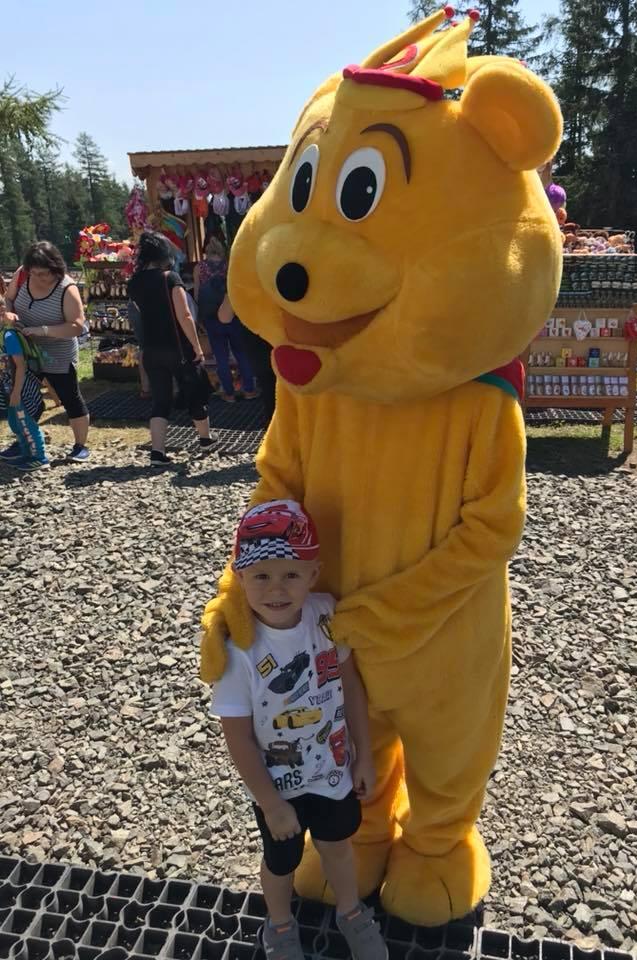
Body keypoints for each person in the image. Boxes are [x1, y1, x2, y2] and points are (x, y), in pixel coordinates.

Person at [210, 500, 387, 960]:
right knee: (280, 863)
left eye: (291, 574)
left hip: (333, 771)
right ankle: (280, 924)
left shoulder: (326, 615)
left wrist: (364, 754)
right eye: (261, 576)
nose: (276, 588)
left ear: (314, 573)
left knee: (338, 848)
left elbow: (349, 683)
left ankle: (350, 911)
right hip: (278, 788)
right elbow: (237, 737)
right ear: (240, 576)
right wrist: (270, 804)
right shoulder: (239, 652)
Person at [128, 232, 215, 466]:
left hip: (151, 349)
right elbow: (184, 315)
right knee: (195, 392)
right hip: (178, 349)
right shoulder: (170, 278)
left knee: (160, 399)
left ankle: (157, 452)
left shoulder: (134, 283)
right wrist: (197, 346)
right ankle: (205, 439)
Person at [1, 242, 90, 463]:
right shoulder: (23, 275)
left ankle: (80, 445)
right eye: (35, 273)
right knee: (23, 395)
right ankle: (25, 439)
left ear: (55, 267)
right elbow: (9, 298)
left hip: (58, 352)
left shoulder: (67, 288)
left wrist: (43, 330)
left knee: (69, 396)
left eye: (44, 274)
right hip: (26, 350)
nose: (39, 278)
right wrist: (9, 313)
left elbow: (76, 326)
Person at [195, 237, 258, 402]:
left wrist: (200, 317)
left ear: (206, 250)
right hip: (231, 315)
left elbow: (197, 294)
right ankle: (249, 390)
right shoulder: (229, 265)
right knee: (241, 353)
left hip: (211, 318)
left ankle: (228, 393)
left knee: (220, 356)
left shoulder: (199, 268)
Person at [0, 298, 48, 471]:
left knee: (26, 422)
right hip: (9, 387)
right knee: (15, 422)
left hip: (20, 387)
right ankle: (26, 452)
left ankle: (39, 456)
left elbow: (20, 365)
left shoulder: (9, 336)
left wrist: (16, 391)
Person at [219, 292, 276, 421]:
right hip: (283, 339)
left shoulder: (240, 283)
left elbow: (224, 317)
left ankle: (274, 426)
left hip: (256, 341)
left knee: (269, 390)